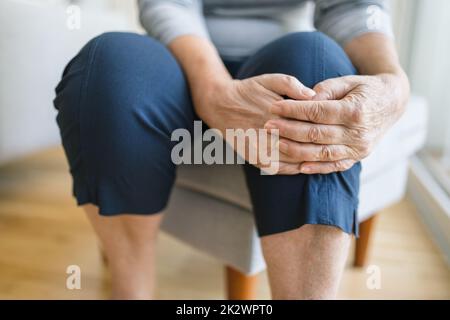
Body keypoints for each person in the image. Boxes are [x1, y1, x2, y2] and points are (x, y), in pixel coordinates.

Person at [53, 0, 409, 299]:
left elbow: (354, 6)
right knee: (109, 66)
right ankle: (132, 288)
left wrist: (393, 83)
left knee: (315, 65)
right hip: (179, 58)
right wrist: (214, 92)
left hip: (283, 59)